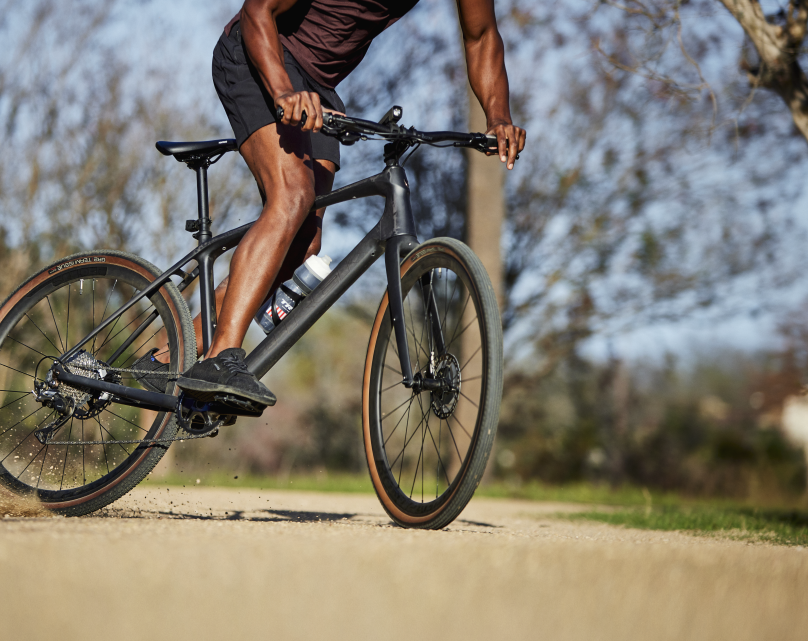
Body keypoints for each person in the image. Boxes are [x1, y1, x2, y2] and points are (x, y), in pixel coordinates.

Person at [141, 0, 527, 411]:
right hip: (257, 54)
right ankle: (220, 360)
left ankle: (166, 361)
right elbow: (258, 11)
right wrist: (282, 90)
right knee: (292, 196)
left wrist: (497, 115)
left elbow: (482, 36)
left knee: (303, 244)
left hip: (319, 88)